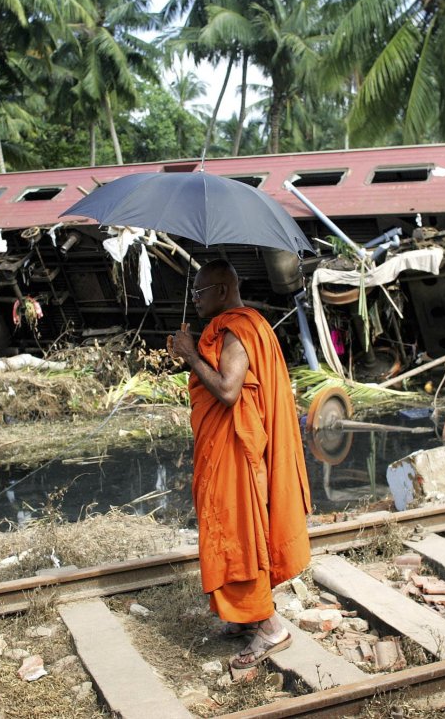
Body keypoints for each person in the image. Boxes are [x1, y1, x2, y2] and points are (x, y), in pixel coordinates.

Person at [170, 259, 312, 670]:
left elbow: (229, 391)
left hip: (238, 455)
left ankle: (269, 627)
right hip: (233, 449)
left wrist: (191, 356)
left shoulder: (237, 329)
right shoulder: (243, 325)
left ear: (220, 290)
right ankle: (242, 616)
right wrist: (194, 354)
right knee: (232, 530)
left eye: (199, 292)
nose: (194, 300)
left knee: (235, 533)